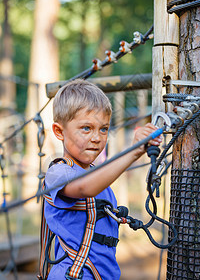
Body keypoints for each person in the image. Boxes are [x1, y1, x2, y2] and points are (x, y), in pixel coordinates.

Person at [43, 79, 162, 280]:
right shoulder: (58, 172)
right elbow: (83, 188)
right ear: (59, 132)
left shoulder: (97, 174)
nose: (97, 137)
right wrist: (133, 152)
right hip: (73, 275)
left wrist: (141, 147)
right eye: (86, 128)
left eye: (104, 129)